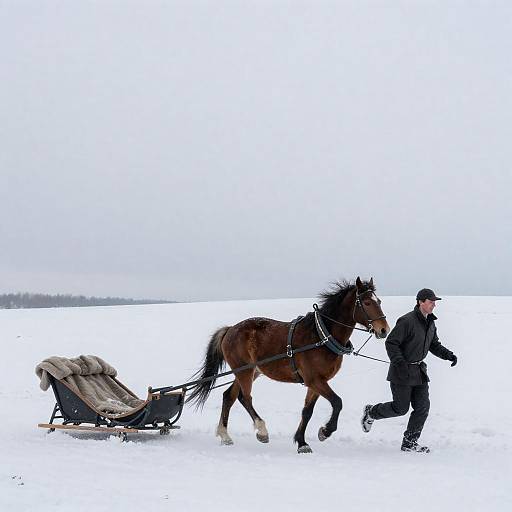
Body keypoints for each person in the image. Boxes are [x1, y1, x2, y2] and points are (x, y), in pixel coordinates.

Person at [361, 288, 457, 453]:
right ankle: (372, 412)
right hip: (402, 372)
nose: (434, 304)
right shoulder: (407, 321)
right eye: (431, 301)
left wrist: (448, 355)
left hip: (419, 372)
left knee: (423, 407)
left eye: (435, 301)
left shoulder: (430, 323)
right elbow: (391, 343)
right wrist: (398, 362)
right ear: (420, 302)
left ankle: (409, 442)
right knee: (400, 408)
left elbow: (434, 345)